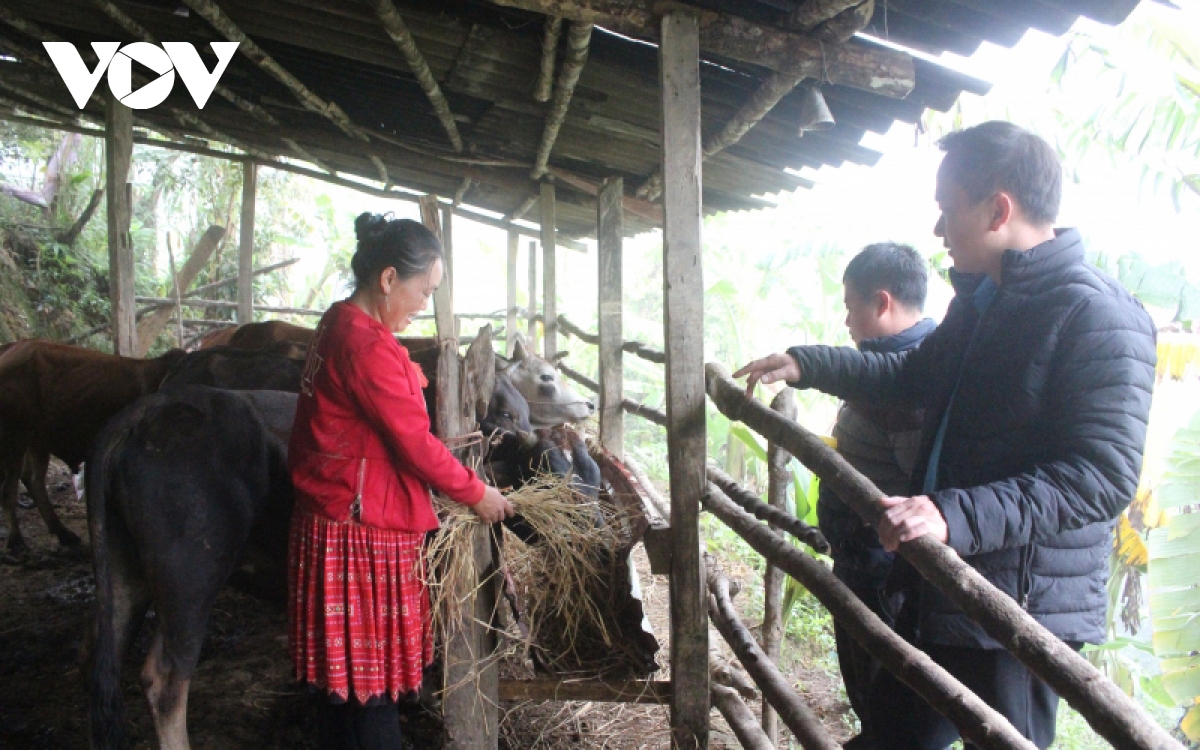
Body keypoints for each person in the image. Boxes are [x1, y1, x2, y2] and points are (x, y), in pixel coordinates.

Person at [734, 121, 1156, 749]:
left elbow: (1099, 477)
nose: (937, 229)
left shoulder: (1099, 315)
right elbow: (911, 375)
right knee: (891, 737)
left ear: (998, 209)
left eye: (946, 209)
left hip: (1018, 610)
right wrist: (809, 363)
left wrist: (951, 514)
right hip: (945, 585)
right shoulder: (984, 302)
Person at [288, 212, 513, 750]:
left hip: (333, 515)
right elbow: (415, 445)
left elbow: (379, 386)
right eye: (423, 289)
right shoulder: (366, 347)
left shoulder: (341, 322)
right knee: (370, 694)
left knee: (343, 686)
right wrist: (476, 492)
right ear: (388, 279)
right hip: (359, 532)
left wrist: (409, 371)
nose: (423, 303)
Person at [818, 242, 936, 749]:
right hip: (860, 555)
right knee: (869, 687)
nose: (846, 320)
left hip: (880, 565)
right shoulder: (884, 365)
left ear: (882, 302)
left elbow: (915, 480)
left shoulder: (910, 377)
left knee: (879, 691)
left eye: (851, 306)